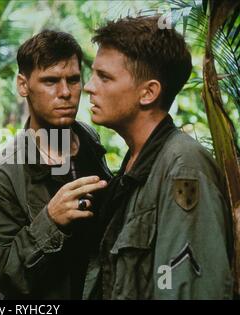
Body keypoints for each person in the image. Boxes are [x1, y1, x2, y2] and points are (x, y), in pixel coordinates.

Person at [83, 16, 233, 299]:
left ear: (148, 92)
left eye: (104, 77)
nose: (89, 87)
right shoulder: (137, 164)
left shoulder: (183, 167)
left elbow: (190, 290)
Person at [0, 30, 112, 299]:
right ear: (23, 85)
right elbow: (6, 276)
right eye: (50, 81)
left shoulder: (90, 140)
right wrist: (51, 221)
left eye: (73, 80)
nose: (65, 93)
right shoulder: (1, 177)